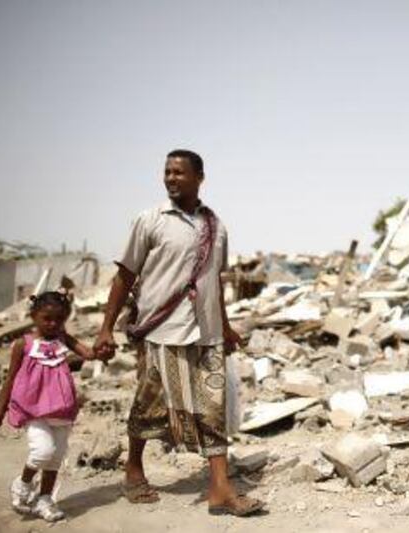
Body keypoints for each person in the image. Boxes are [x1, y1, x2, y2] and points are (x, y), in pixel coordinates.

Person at [93, 149, 264, 516]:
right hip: (161, 330)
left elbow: (213, 280)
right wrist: (106, 327)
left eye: (179, 173)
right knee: (149, 405)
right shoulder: (150, 220)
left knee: (212, 410)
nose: (171, 178)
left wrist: (227, 326)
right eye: (167, 172)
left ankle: (220, 488)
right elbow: (125, 275)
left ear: (199, 177)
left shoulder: (216, 226)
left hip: (206, 333)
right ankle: (134, 469)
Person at [0, 290, 99, 522]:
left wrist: (102, 349)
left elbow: (88, 354)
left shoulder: (64, 339)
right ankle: (22, 483)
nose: (53, 324)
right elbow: (10, 379)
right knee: (42, 451)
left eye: (59, 319)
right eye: (47, 318)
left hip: (62, 409)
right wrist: (0, 409)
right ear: (34, 316)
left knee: (56, 458)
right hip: (33, 409)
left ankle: (45, 499)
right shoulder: (23, 344)